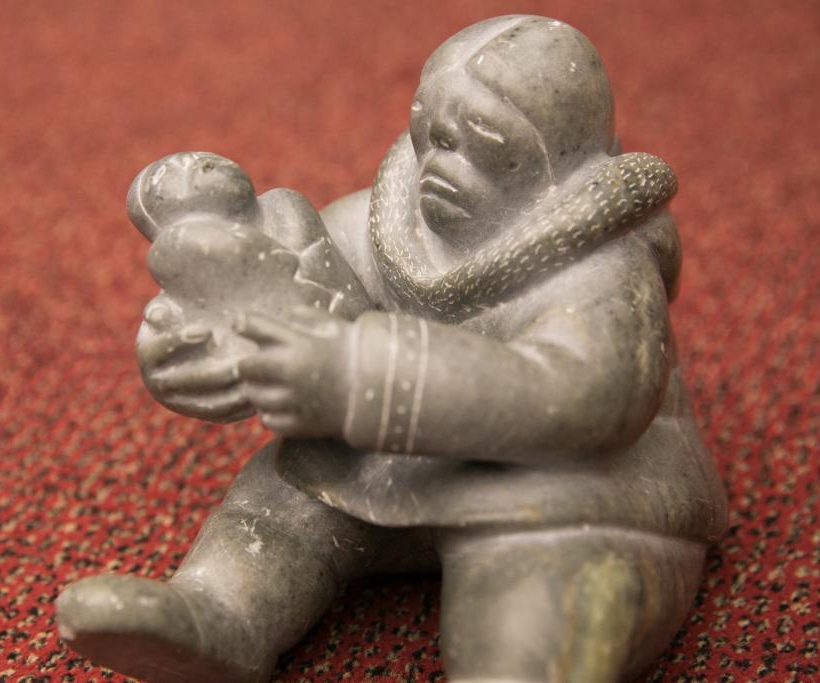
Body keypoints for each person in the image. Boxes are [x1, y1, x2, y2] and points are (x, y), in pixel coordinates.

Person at [57, 15, 727, 683]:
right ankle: (221, 613)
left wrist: (363, 378)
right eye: (431, 130)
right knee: (280, 502)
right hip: (391, 457)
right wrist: (213, 342)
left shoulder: (602, 269)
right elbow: (307, 294)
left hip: (567, 481)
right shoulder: (387, 221)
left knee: (541, 585)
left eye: (484, 142)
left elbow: (589, 393)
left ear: (560, 165)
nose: (439, 159)